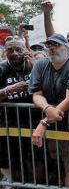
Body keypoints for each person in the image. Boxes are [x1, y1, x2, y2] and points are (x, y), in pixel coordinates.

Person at [29, 33, 69, 187]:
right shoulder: (40, 64)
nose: (52, 48)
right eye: (49, 45)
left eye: (57, 45)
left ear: (67, 48)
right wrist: (47, 108)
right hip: (49, 120)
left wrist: (44, 123)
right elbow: (36, 95)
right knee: (51, 159)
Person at [0, 38, 36, 183]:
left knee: (34, 159)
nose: (14, 53)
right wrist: (8, 90)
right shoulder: (2, 69)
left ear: (25, 51)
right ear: (4, 52)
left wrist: (35, 65)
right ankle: (12, 183)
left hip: (34, 122)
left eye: (18, 50)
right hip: (8, 124)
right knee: (8, 159)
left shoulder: (33, 66)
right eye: (10, 50)